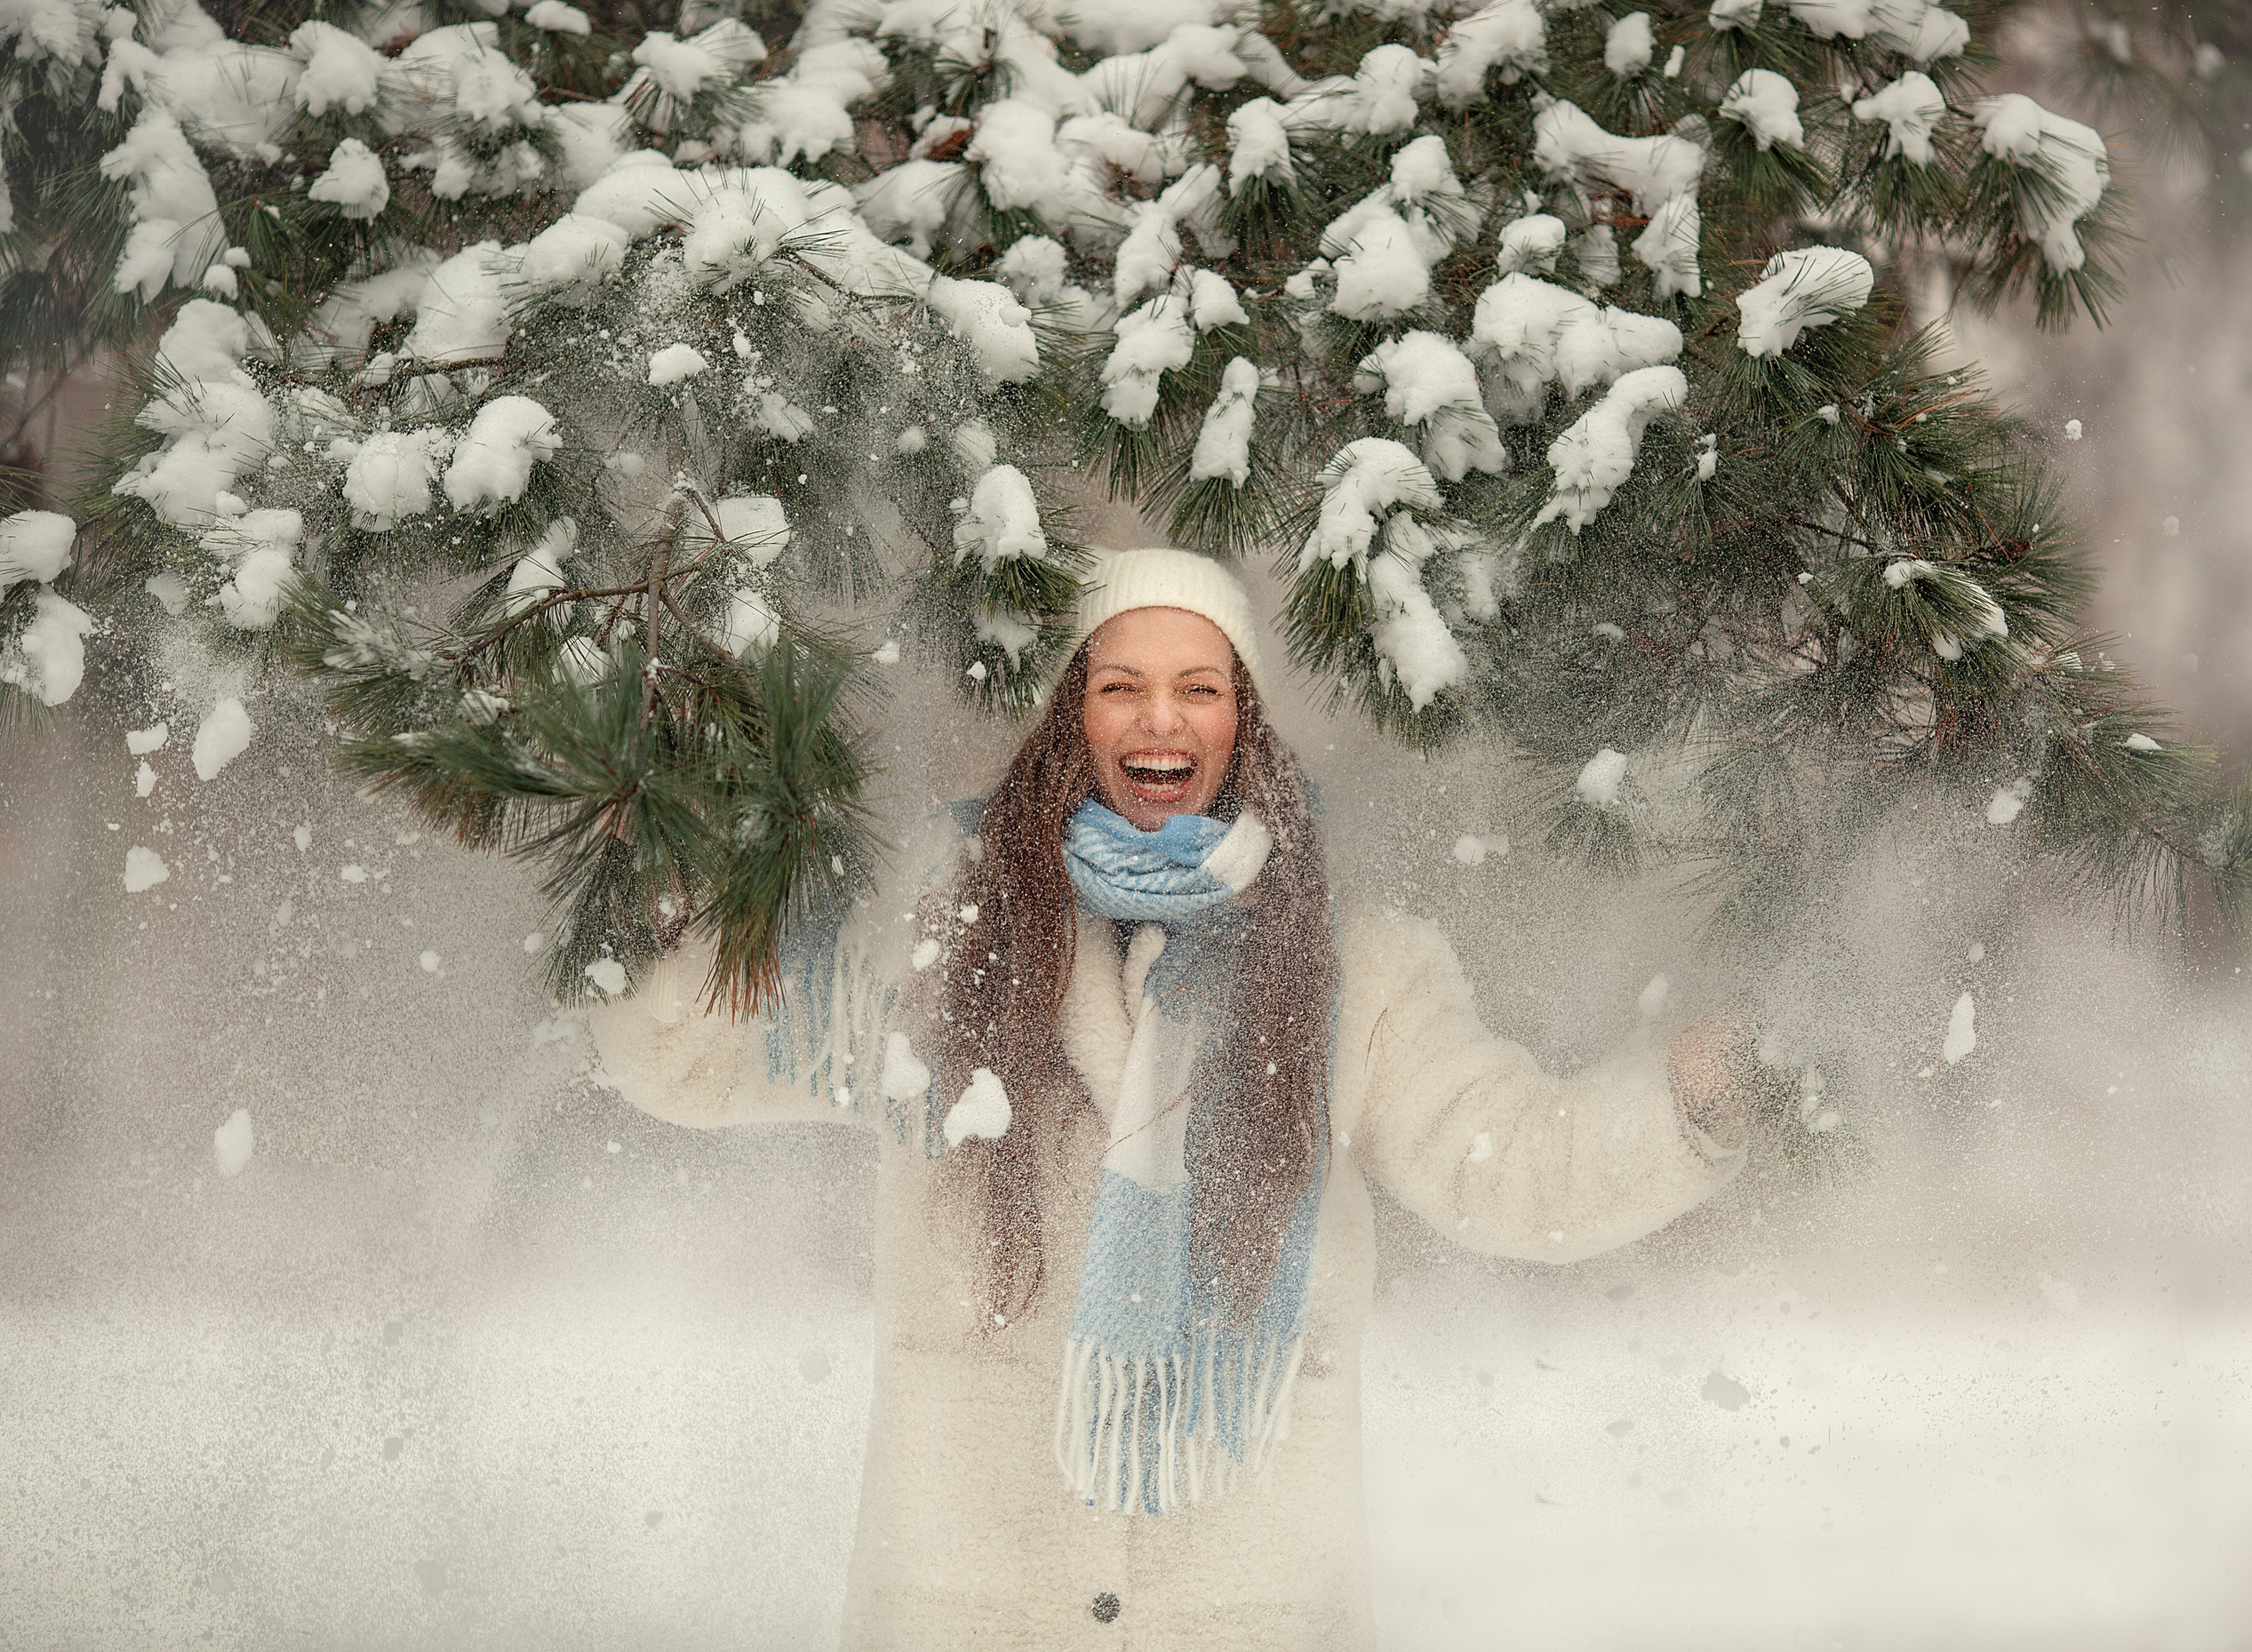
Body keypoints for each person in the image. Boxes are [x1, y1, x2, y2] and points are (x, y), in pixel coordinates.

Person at [588, 547, 1757, 1650]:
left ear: (1242, 721)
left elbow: (1515, 1168)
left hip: (1249, 1613)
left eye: (1199, 687)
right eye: (1122, 687)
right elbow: (692, 1055)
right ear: (1072, 719)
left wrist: (1699, 1089)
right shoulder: (943, 942)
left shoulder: (1354, 967)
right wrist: (655, 893)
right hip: (969, 1610)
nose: (1162, 718)